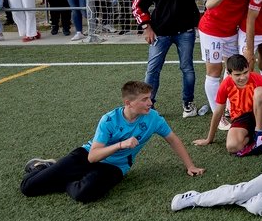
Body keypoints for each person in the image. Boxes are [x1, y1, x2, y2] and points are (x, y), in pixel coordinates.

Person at [21, 81, 204, 203]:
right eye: (145, 99)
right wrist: (121, 144)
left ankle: (67, 177)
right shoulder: (109, 119)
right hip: (87, 155)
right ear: (128, 103)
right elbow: (93, 156)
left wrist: (190, 166)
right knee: (28, 188)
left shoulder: (154, 118)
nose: (150, 102)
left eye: (150, 97)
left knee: (83, 194)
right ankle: (42, 167)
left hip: (115, 167)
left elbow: (173, 139)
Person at [133, 0, 202, 116]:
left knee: (187, 68)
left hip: (185, 31)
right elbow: (138, 4)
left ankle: (188, 103)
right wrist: (146, 27)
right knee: (152, 70)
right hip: (160, 32)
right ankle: (148, 106)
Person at [193, 54, 262, 156]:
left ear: (249, 68)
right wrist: (209, 139)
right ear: (229, 74)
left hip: (261, 111)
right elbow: (218, 112)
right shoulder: (225, 84)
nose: (242, 77)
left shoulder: (257, 78)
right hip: (240, 118)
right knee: (232, 146)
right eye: (238, 75)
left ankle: (260, 133)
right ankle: (258, 135)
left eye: (245, 72)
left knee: (260, 92)